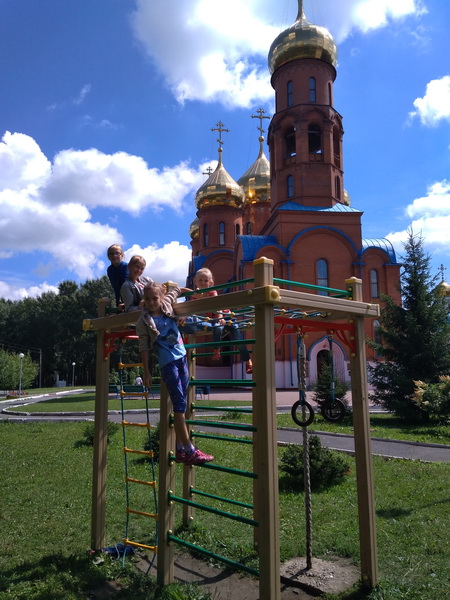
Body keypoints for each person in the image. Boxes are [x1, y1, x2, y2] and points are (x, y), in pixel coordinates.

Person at [136, 281, 214, 465]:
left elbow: (176, 290)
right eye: (147, 299)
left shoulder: (166, 304)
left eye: (154, 298)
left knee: (183, 402)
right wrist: (146, 372)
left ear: (161, 297)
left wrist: (194, 293)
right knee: (179, 404)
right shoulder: (144, 321)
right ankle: (189, 449)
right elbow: (144, 347)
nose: (151, 302)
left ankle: (180, 448)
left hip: (181, 358)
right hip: (168, 364)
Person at [189, 268, 253, 374]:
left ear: (210, 282)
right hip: (215, 318)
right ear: (195, 281)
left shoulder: (212, 292)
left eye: (205, 280)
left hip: (226, 316)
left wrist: (221, 316)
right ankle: (217, 350)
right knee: (217, 327)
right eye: (200, 280)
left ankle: (248, 361)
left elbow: (217, 305)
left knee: (237, 336)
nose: (203, 283)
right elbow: (192, 309)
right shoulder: (195, 295)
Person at [106, 244, 128, 310]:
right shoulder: (110, 270)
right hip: (119, 297)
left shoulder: (126, 267)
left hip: (130, 295)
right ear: (108, 257)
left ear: (122, 255)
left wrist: (125, 302)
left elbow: (126, 285)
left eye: (117, 253)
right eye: (111, 254)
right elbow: (116, 288)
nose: (114, 255)